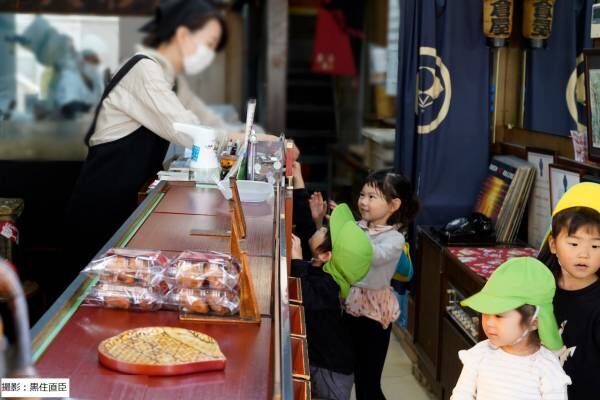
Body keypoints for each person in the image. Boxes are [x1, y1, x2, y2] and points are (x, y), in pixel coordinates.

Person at [65, 0, 238, 278]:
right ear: (183, 35)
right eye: (209, 43)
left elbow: (206, 119)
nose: (209, 54)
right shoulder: (144, 70)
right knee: (90, 291)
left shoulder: (168, 78)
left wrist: (242, 133)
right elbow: (186, 128)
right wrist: (234, 137)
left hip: (123, 205)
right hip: (101, 206)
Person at [342, 168, 419, 400]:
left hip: (374, 314)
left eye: (372, 197)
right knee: (350, 371)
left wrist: (351, 235)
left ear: (393, 205)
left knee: (368, 382)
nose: (363, 201)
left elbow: (373, 256)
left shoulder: (394, 239)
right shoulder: (359, 226)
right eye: (362, 195)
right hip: (351, 305)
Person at [451, 257, 571, 399]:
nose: (489, 322)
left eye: (499, 315)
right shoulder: (480, 354)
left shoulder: (546, 367)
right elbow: (461, 394)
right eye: (485, 313)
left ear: (534, 321)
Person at [290, 202, 372, 400]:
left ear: (326, 255)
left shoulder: (330, 287)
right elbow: (312, 256)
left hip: (332, 372)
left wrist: (297, 260)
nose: (322, 229)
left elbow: (304, 295)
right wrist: (317, 221)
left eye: (325, 230)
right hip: (323, 362)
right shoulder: (324, 271)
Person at [537, 182, 600, 399]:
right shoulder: (538, 289)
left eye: (596, 246)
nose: (584, 254)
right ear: (553, 244)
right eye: (574, 244)